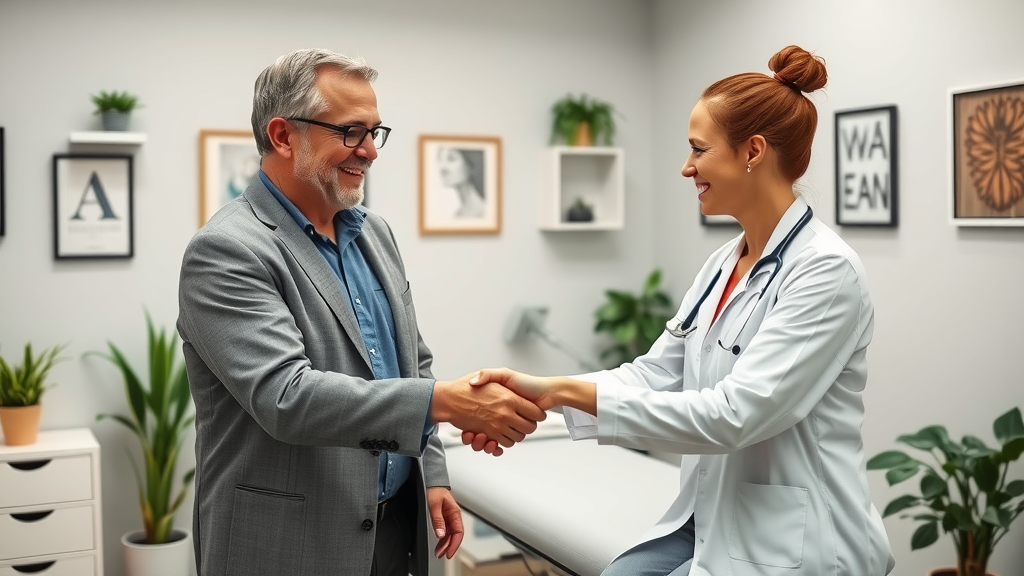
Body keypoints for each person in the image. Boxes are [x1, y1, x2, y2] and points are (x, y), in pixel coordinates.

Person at [465, 45, 896, 576]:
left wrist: (560, 392)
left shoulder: (827, 272)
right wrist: (541, 392)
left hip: (796, 542)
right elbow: (655, 373)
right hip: (708, 517)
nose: (686, 167)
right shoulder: (723, 263)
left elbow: (735, 415)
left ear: (752, 151)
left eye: (698, 149)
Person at [177, 48, 544, 576]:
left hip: (394, 526)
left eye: (375, 131)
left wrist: (433, 474)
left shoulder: (374, 233)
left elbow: (411, 362)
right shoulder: (228, 249)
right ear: (283, 136)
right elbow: (288, 398)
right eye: (351, 132)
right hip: (288, 541)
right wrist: (447, 404)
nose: (370, 151)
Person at [436, 146, 486, 218]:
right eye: (440, 159)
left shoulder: (484, 212)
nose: (442, 168)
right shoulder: (457, 215)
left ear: (470, 165)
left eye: (451, 159)